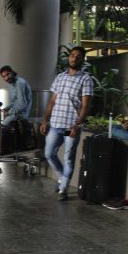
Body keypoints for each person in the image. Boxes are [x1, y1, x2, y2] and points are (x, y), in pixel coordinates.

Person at [40, 46, 94, 201]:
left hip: (71, 126)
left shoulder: (86, 79)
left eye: (78, 56)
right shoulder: (60, 77)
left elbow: (85, 105)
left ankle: (63, 189)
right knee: (49, 154)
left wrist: (77, 125)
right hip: (56, 124)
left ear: (82, 60)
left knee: (69, 158)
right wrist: (45, 120)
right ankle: (62, 178)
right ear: (68, 58)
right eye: (72, 55)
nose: (74, 58)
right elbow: (52, 100)